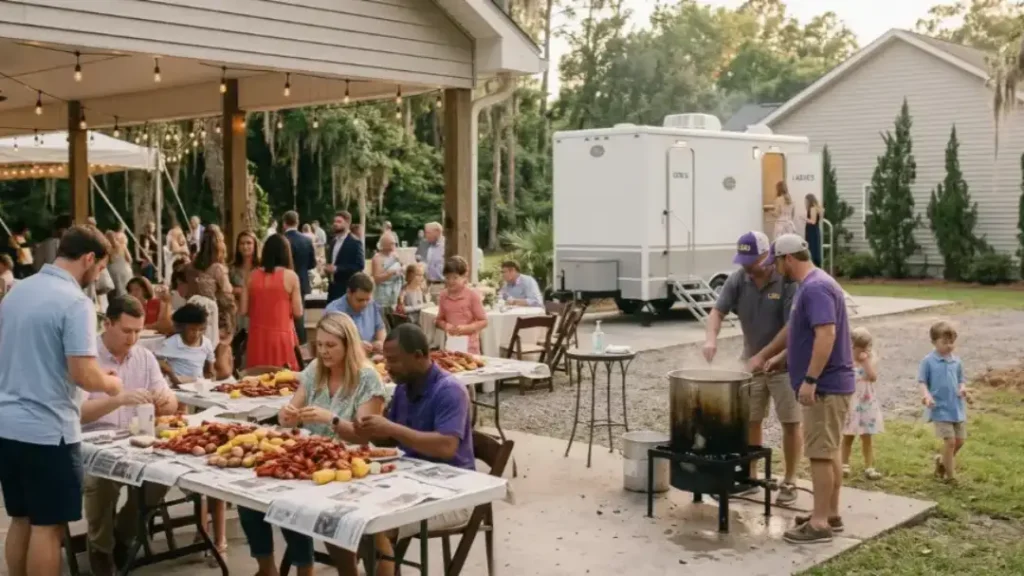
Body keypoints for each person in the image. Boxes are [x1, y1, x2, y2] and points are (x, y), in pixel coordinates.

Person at [0, 225, 123, 576]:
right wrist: (112, 385)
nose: (98, 277)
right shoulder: (75, 302)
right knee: (48, 528)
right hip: (48, 430)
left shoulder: (16, 292)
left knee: (20, 519)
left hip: (7, 424)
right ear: (88, 259)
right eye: (99, 269)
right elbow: (83, 372)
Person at [238, 313, 386, 576]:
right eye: (320, 345)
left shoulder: (367, 378)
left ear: (348, 345)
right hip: (308, 457)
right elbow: (291, 408)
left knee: (298, 503)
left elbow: (363, 436)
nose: (324, 352)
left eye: (331, 346)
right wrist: (286, 416)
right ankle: (268, 567)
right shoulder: (315, 370)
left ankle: (310, 567)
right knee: (248, 495)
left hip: (349, 463)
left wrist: (333, 419)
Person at [748, 234, 854, 545]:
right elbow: (802, 333)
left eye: (776, 262)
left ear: (788, 259)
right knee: (829, 450)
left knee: (819, 454)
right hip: (831, 383)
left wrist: (810, 380)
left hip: (826, 386)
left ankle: (819, 523)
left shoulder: (815, 288)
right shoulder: (814, 284)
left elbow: (826, 335)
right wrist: (780, 358)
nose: (775, 268)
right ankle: (830, 514)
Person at [352, 324, 474, 576]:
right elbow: (390, 440)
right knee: (352, 513)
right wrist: (370, 430)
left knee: (376, 524)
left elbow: (446, 447)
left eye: (394, 360)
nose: (387, 366)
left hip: (455, 493)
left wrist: (392, 429)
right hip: (414, 481)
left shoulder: (450, 390)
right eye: (386, 359)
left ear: (418, 356)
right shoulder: (404, 388)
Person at [80, 295, 177, 576]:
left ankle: (123, 534)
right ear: (107, 324)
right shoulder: (87, 357)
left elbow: (169, 401)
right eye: (126, 331)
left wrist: (164, 400)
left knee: (162, 475)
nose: (133, 338)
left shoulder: (144, 357)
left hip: (136, 440)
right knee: (102, 479)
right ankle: (101, 547)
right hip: (93, 442)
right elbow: (79, 413)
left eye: (138, 331)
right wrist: (118, 399)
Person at [702, 231, 800, 504]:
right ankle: (751, 477)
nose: (746, 266)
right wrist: (711, 339)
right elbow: (716, 312)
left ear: (766, 255)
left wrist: (765, 356)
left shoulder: (786, 280)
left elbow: (791, 327)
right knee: (750, 420)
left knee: (790, 422)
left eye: (751, 260)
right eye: (742, 260)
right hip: (752, 366)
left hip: (785, 365)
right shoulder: (738, 279)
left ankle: (790, 481)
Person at [241, 234, 303, 370]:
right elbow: (298, 312)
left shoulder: (251, 276)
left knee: (256, 382)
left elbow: (243, 310)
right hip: (283, 337)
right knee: (285, 384)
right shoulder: (291, 277)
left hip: (257, 336)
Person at [918, 320, 968, 483]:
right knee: (950, 441)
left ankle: (942, 460)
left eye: (951, 342)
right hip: (940, 408)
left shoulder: (956, 361)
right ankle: (950, 476)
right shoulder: (928, 361)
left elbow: (961, 379)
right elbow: (922, 382)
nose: (949, 346)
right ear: (934, 342)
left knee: (959, 441)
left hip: (956, 407)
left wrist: (962, 388)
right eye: (944, 342)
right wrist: (927, 396)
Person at [187, 225, 236, 367]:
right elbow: (227, 294)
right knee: (220, 361)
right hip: (218, 318)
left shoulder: (193, 266)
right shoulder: (218, 269)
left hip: (198, 318)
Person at [841, 327, 883, 480]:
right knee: (848, 435)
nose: (863, 351)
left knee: (867, 436)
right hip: (852, 402)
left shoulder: (869, 360)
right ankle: (844, 464)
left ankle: (869, 466)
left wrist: (865, 361)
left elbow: (872, 377)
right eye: (859, 348)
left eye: (867, 348)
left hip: (866, 402)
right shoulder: (846, 361)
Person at [435, 256, 487, 354]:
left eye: (455, 277)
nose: (450, 281)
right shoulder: (443, 295)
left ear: (464, 277)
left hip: (470, 346)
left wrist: (466, 328)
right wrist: (447, 326)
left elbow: (483, 321)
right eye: (447, 277)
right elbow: (438, 320)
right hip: (451, 344)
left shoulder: (472, 295)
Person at [325, 273, 385, 353]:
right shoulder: (333, 311)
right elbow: (331, 342)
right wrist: (355, 346)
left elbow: (380, 328)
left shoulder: (373, 305)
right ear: (349, 292)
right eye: (360, 300)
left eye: (367, 299)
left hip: (370, 356)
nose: (364, 304)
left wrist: (380, 342)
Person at [156, 303, 216, 380]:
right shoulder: (171, 343)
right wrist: (169, 372)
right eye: (192, 329)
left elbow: (210, 370)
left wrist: (210, 378)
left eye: (201, 330)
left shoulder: (206, 343)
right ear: (182, 327)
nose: (197, 334)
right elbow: (156, 361)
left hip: (198, 386)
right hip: (177, 386)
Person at [283, 211, 316, 344]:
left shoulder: (282, 239)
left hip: (283, 282)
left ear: (284, 223)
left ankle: (287, 344)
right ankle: (301, 346)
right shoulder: (307, 240)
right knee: (299, 316)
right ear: (297, 222)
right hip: (302, 281)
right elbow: (312, 264)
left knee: (284, 316)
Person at [324, 211, 365, 302]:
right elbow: (332, 262)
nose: (335, 224)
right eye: (334, 222)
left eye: (339, 222)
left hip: (347, 288)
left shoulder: (355, 242)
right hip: (332, 288)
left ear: (347, 224)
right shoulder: (333, 242)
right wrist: (326, 269)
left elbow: (359, 266)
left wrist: (337, 269)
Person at [230, 230, 261, 341]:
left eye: (248, 243)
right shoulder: (232, 268)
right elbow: (226, 289)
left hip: (257, 312)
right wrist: (235, 290)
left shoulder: (261, 268)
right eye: (242, 243)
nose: (245, 246)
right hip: (238, 314)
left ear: (255, 245)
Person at [371, 232, 403, 311]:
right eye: (391, 243)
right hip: (383, 295)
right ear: (384, 245)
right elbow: (377, 279)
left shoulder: (395, 255)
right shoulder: (377, 258)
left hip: (396, 292)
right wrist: (391, 272)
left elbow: (402, 265)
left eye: (394, 243)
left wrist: (402, 270)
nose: (394, 245)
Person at [415, 222, 445, 298]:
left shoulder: (447, 245)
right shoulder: (424, 244)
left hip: (442, 285)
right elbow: (418, 259)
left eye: (428, 233)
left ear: (437, 232)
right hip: (427, 285)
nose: (425, 235)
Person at [106, 230, 133, 297]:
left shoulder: (108, 249)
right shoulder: (123, 246)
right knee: (127, 289)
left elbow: (108, 261)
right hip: (125, 270)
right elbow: (129, 259)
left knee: (116, 291)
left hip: (113, 271)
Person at [805, 194, 823, 267]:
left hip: (812, 231)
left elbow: (813, 221)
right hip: (815, 230)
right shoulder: (817, 208)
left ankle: (813, 264)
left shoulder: (812, 208)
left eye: (806, 201)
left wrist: (804, 219)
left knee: (812, 248)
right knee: (815, 247)